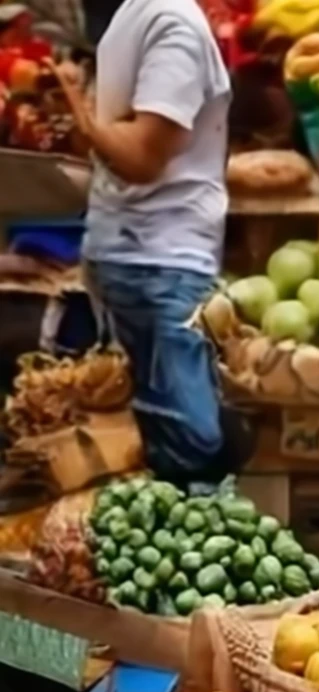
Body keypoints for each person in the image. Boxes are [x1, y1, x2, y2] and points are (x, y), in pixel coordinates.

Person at [52, 0, 233, 482]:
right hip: (139, 257)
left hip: (159, 262)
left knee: (188, 444)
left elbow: (142, 158)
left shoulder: (171, 25)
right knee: (162, 447)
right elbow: (124, 146)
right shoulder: (135, 16)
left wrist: (84, 116)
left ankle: (193, 542)